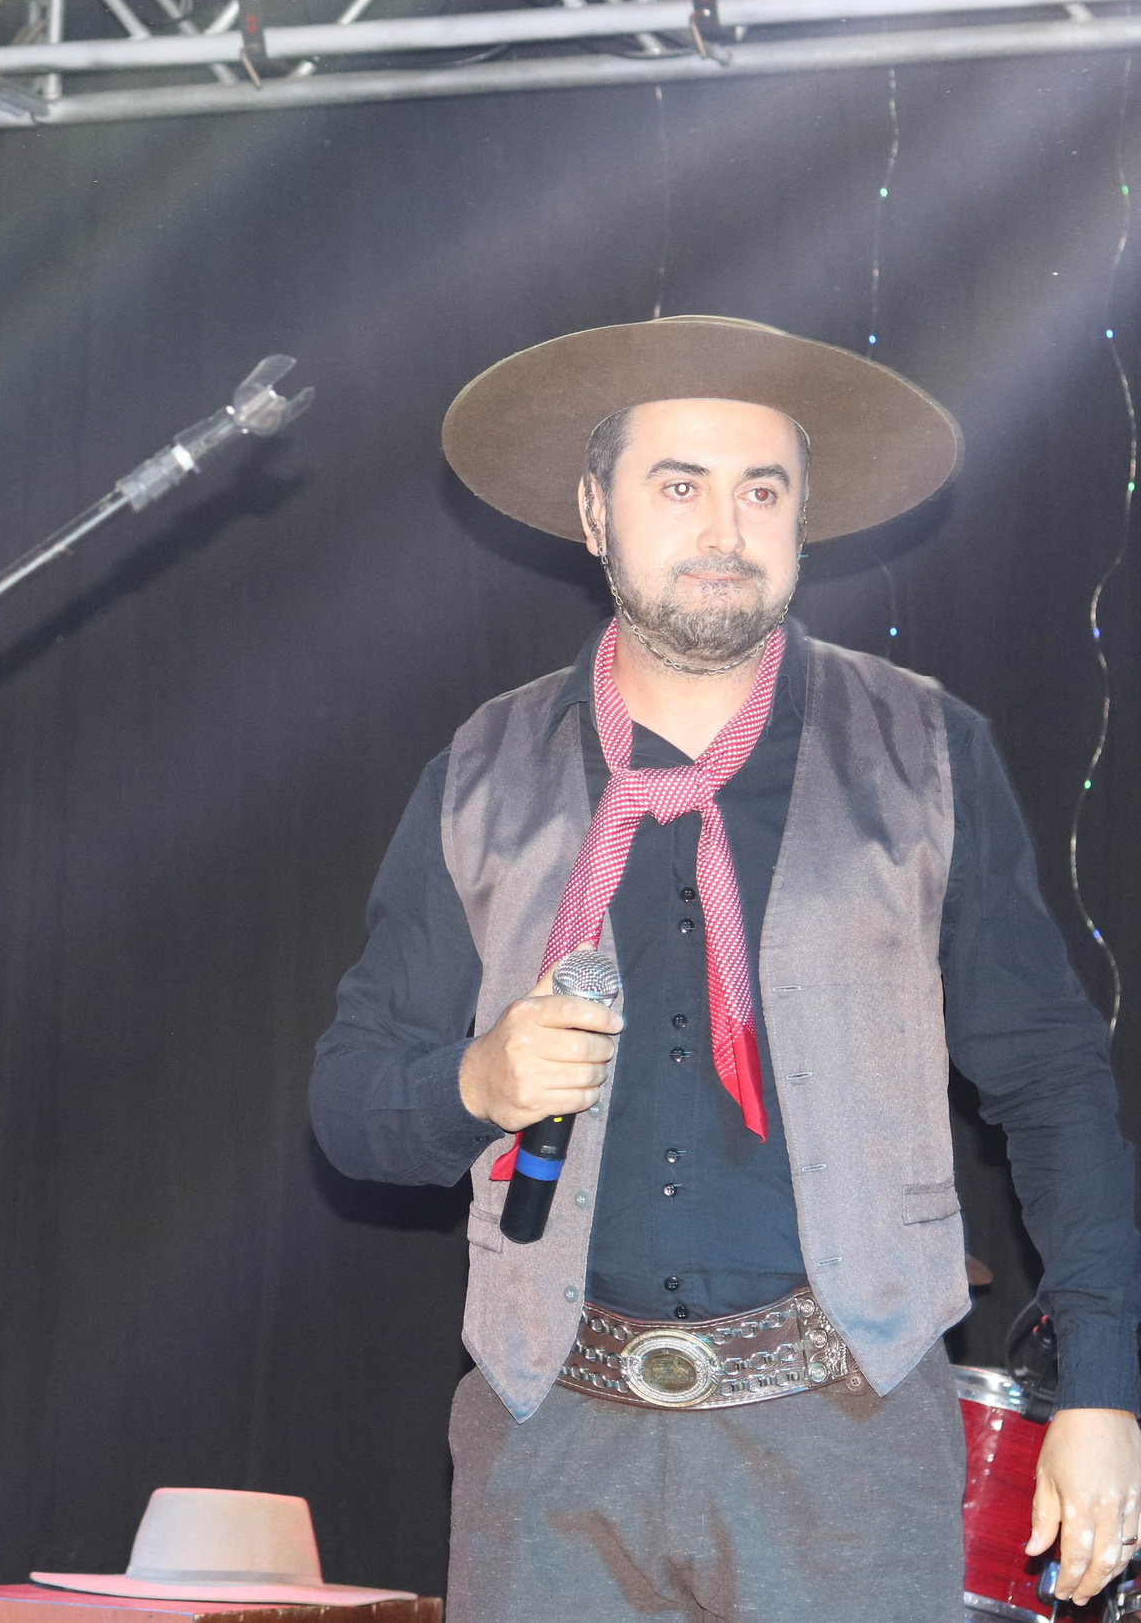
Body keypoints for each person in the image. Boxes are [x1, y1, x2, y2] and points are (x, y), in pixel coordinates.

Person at [309, 316, 1141, 1619]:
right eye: (679, 482)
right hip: (551, 1445)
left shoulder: (922, 753)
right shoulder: (484, 766)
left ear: (805, 520)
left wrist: (1103, 1386)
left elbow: (1049, 1076)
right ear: (595, 511)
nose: (725, 527)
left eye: (764, 489)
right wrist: (477, 1075)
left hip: (850, 1441)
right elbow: (350, 1103)